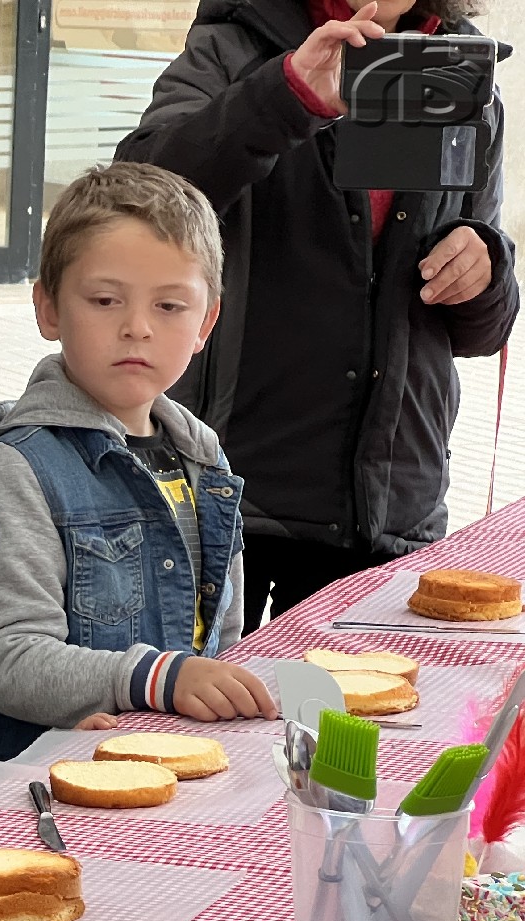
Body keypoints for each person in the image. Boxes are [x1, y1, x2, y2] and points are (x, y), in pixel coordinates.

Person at [115, 0, 517, 630]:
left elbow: (481, 331)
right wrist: (285, 94)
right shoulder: (236, 45)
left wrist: (485, 271)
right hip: (232, 499)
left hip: (387, 510)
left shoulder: (461, 72)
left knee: (359, 696)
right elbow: (137, 199)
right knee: (204, 694)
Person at [0, 163, 279, 792]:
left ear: (206, 323)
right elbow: (9, 658)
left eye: (169, 305)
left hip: (172, 780)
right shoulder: (21, 467)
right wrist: (161, 680)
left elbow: (221, 632)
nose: (137, 327)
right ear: (48, 307)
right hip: (42, 795)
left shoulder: (203, 454)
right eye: (105, 301)